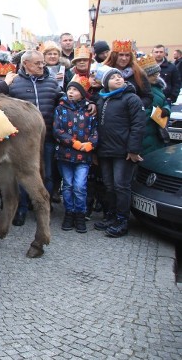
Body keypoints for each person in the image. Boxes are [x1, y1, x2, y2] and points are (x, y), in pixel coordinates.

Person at [7, 49, 62, 226]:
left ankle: (42, 206)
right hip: (22, 139)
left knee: (47, 173)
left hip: (48, 135)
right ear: (26, 64)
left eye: (42, 63)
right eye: (37, 63)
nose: (42, 66)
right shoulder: (14, 84)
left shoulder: (52, 82)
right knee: (24, 174)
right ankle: (21, 208)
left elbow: (63, 101)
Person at [93, 65, 145, 238]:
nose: (118, 78)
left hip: (123, 152)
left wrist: (133, 149)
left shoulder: (131, 99)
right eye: (113, 77)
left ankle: (122, 220)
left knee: (121, 185)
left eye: (120, 76)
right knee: (109, 185)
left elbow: (138, 125)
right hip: (105, 150)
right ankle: (111, 215)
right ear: (106, 82)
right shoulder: (102, 99)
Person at [53, 78, 98, 234]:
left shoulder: (89, 109)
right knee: (68, 185)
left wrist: (92, 143)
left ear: (82, 93)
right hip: (65, 154)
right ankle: (69, 212)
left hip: (83, 157)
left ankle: (80, 213)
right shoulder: (61, 108)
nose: (71, 92)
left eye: (75, 90)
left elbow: (95, 129)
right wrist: (73, 143)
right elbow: (57, 130)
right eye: (69, 89)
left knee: (80, 186)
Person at [137, 55, 171, 156]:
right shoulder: (138, 90)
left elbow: (165, 102)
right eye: (153, 75)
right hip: (145, 132)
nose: (156, 76)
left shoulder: (158, 87)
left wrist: (165, 110)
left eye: (157, 74)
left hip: (157, 131)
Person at [104, 39, 151, 108]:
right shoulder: (105, 72)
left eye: (127, 55)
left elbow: (148, 97)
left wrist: (134, 106)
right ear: (114, 56)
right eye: (121, 55)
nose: (124, 58)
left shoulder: (138, 73)